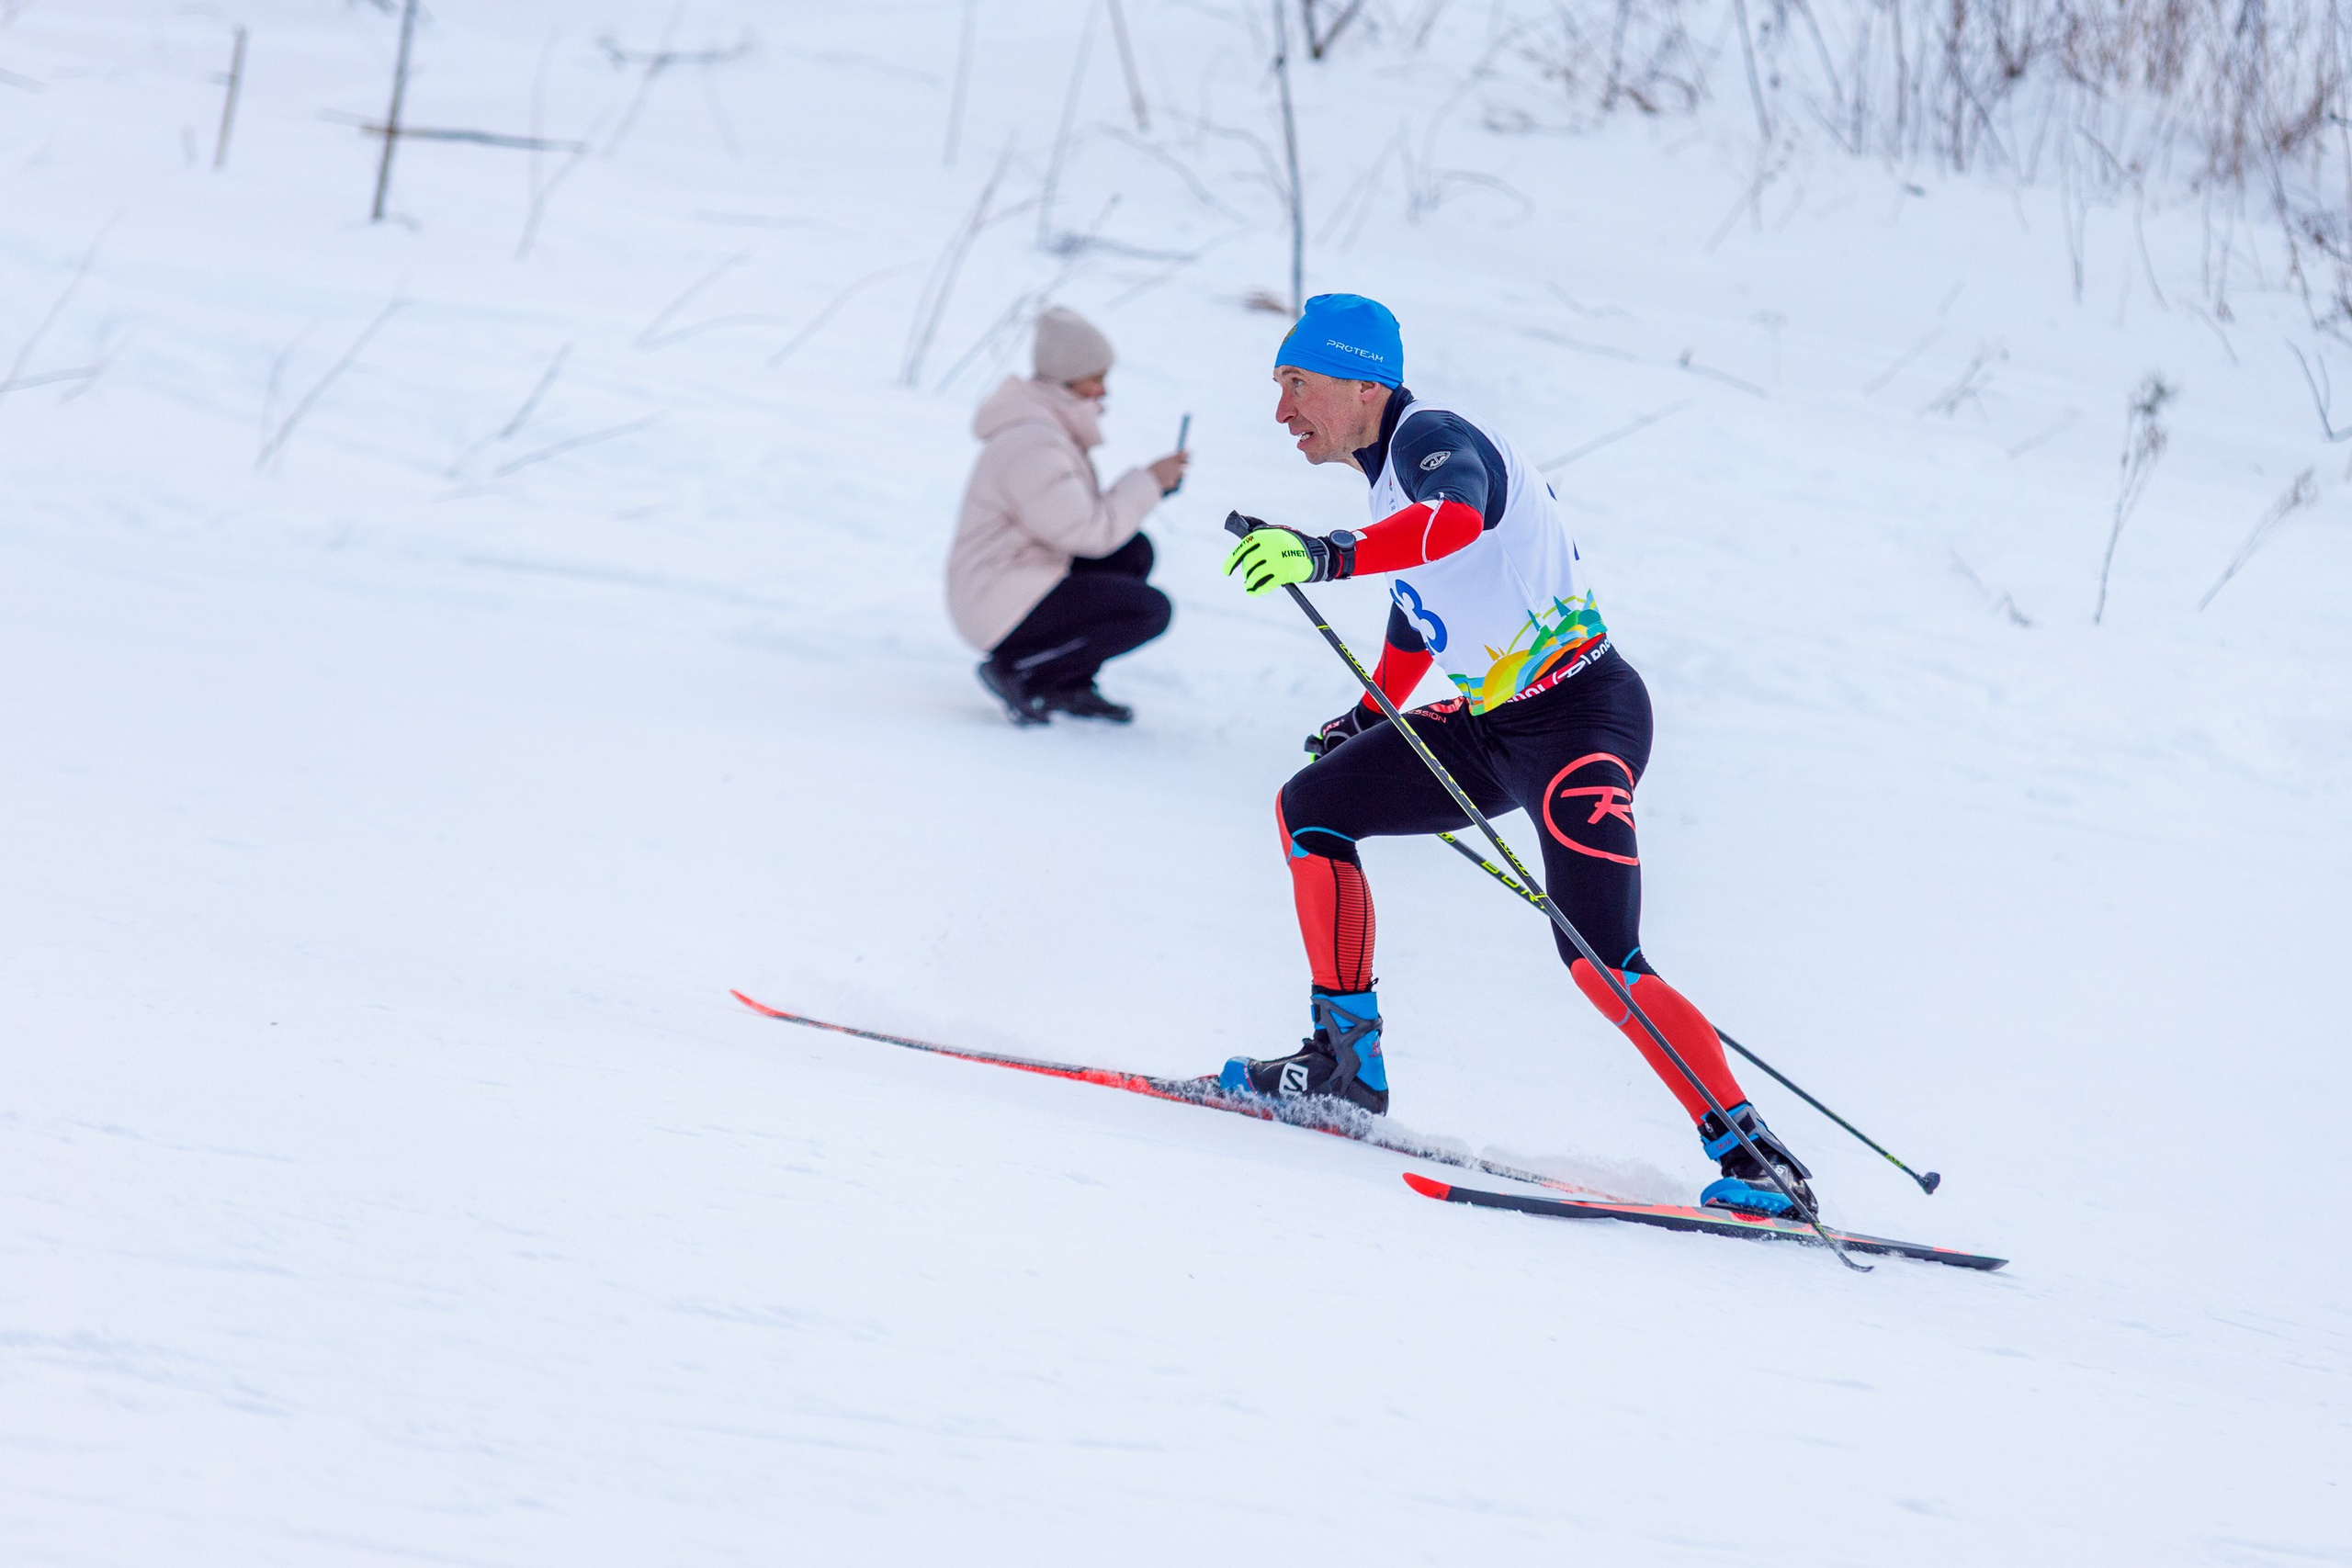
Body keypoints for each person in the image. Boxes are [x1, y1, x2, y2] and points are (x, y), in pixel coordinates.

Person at [1212, 292, 1816, 1219]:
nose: (1283, 410)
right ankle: (1343, 1063)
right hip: (1491, 727)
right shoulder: (1385, 488)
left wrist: (1325, 556)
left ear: (1361, 381)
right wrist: (1372, 709)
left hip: (1581, 722)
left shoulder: (1434, 439)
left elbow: (1452, 524)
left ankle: (1757, 1158)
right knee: (1314, 808)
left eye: (1297, 382)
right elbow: (1420, 601)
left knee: (1600, 958)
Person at [947, 307, 1190, 726]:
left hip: (1022, 576)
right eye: (1095, 379)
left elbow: (1083, 522)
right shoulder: (1032, 443)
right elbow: (1086, 531)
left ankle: (1068, 683)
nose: (1103, 391)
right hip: (996, 598)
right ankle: (1021, 669)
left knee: (1133, 551)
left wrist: (1152, 485)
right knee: (1148, 611)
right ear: (1066, 380)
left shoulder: (1044, 430)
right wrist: (1148, 481)